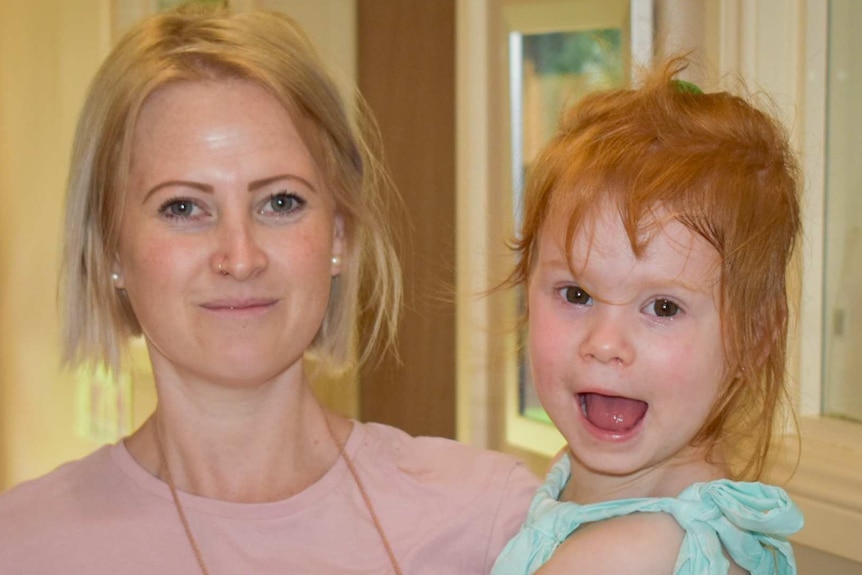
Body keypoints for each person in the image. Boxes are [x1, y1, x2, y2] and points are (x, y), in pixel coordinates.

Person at [0, 6, 539, 574]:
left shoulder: (490, 523)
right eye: (183, 207)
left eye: (281, 202)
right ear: (110, 248)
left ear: (338, 233)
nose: (240, 257)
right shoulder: (24, 545)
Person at [491, 58, 804, 575]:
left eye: (662, 307)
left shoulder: (626, 555)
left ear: (754, 337)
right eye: (575, 294)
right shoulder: (590, 483)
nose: (606, 342)